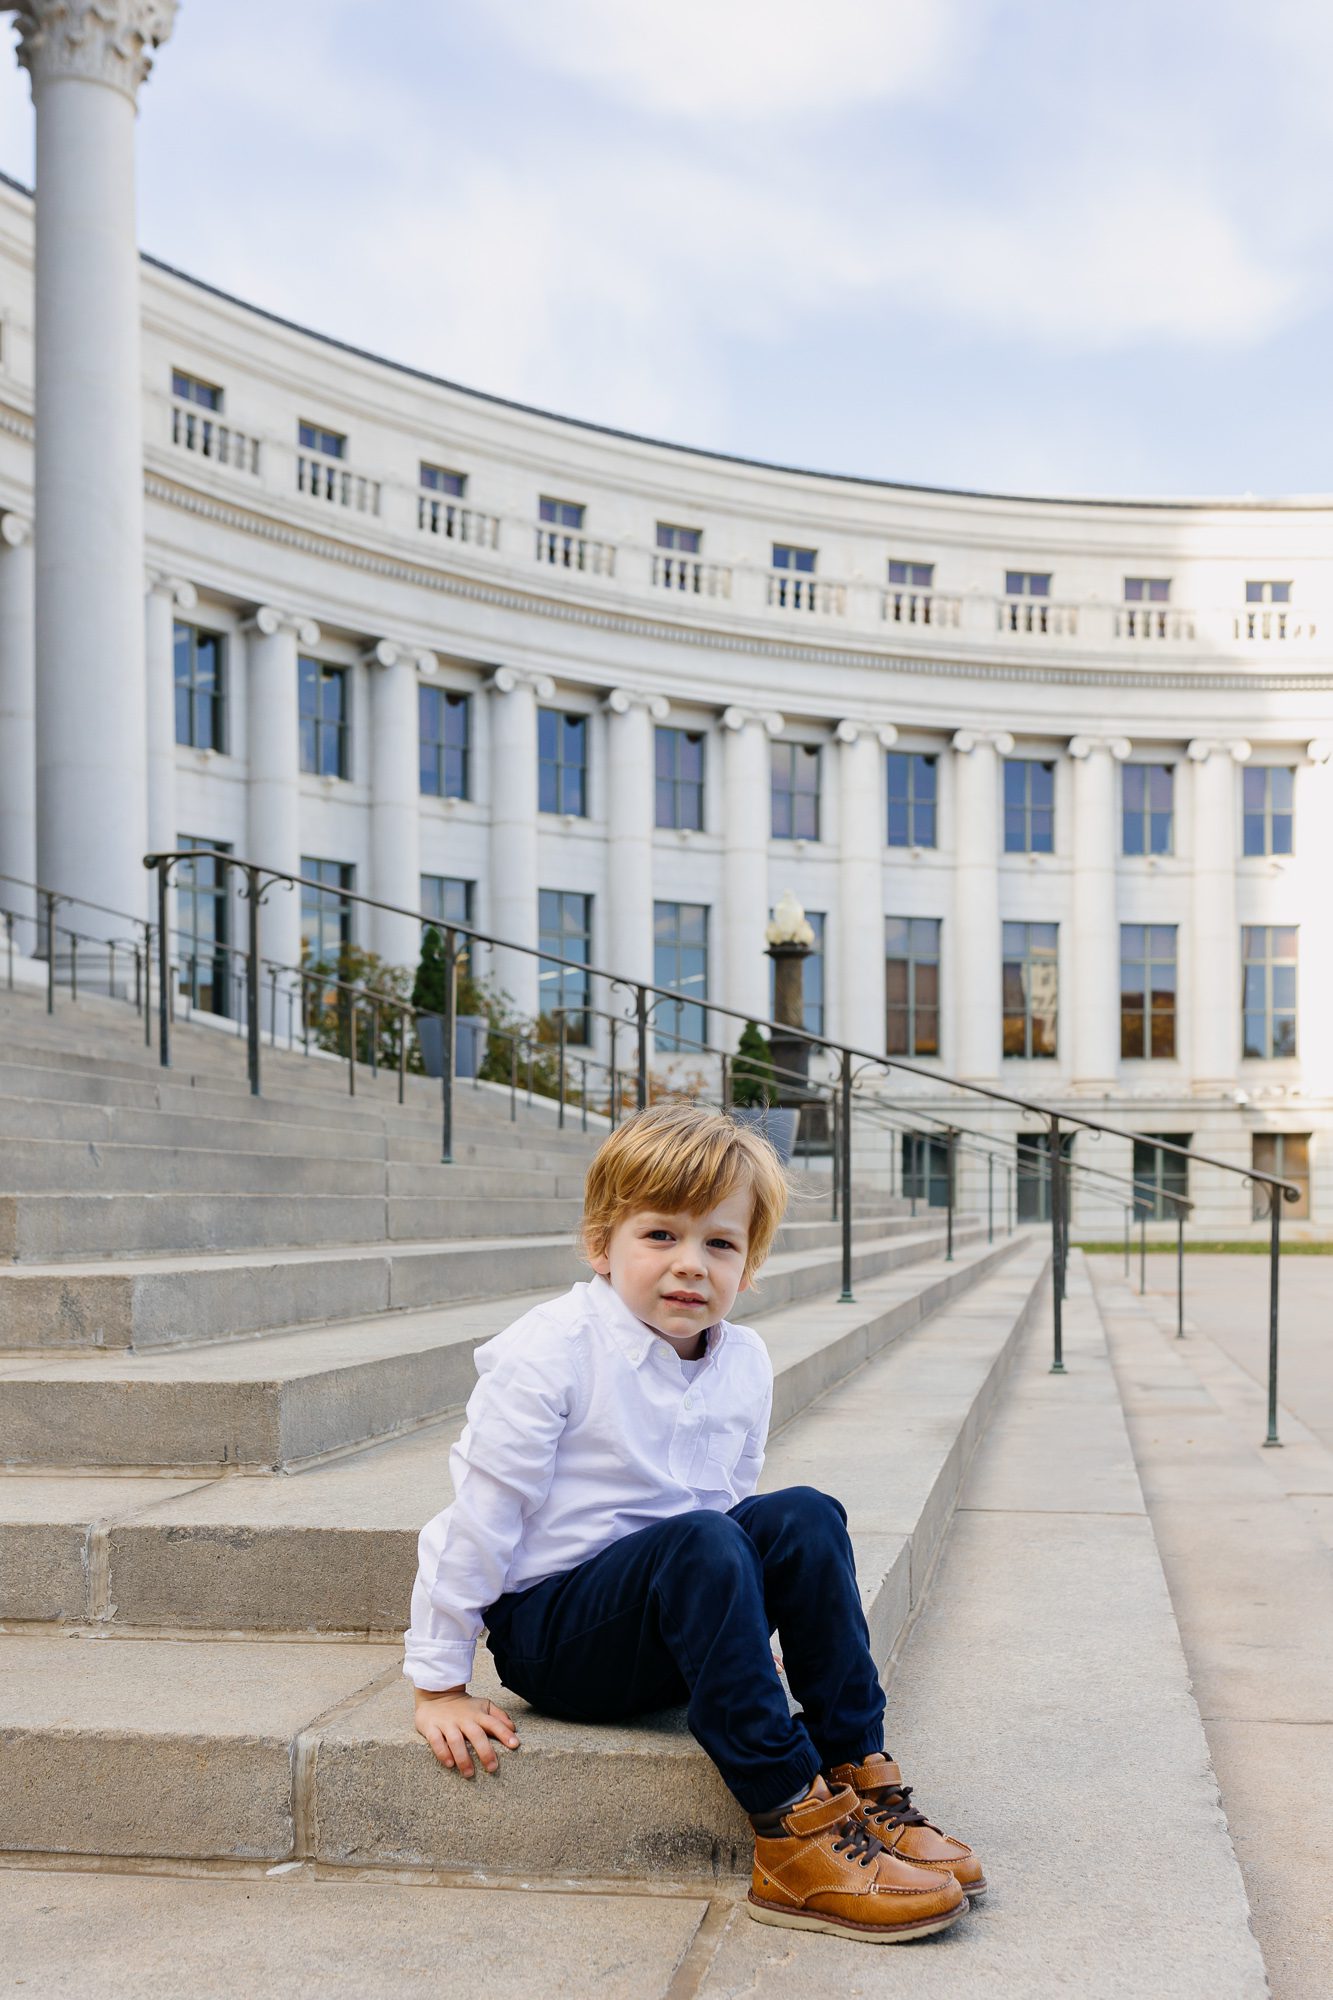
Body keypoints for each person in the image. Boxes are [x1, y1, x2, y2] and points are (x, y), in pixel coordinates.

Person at [404, 1100, 983, 1943]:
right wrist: (438, 1683)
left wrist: (744, 1622)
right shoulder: (550, 1351)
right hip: (559, 1635)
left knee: (803, 1514)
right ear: (602, 1244)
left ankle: (858, 1774)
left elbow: (732, 1503)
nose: (690, 1265)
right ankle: (789, 1828)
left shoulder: (741, 1358)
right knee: (702, 1539)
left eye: (719, 1243)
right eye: (660, 1236)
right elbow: (481, 1515)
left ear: (749, 1265)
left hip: (673, 1611)